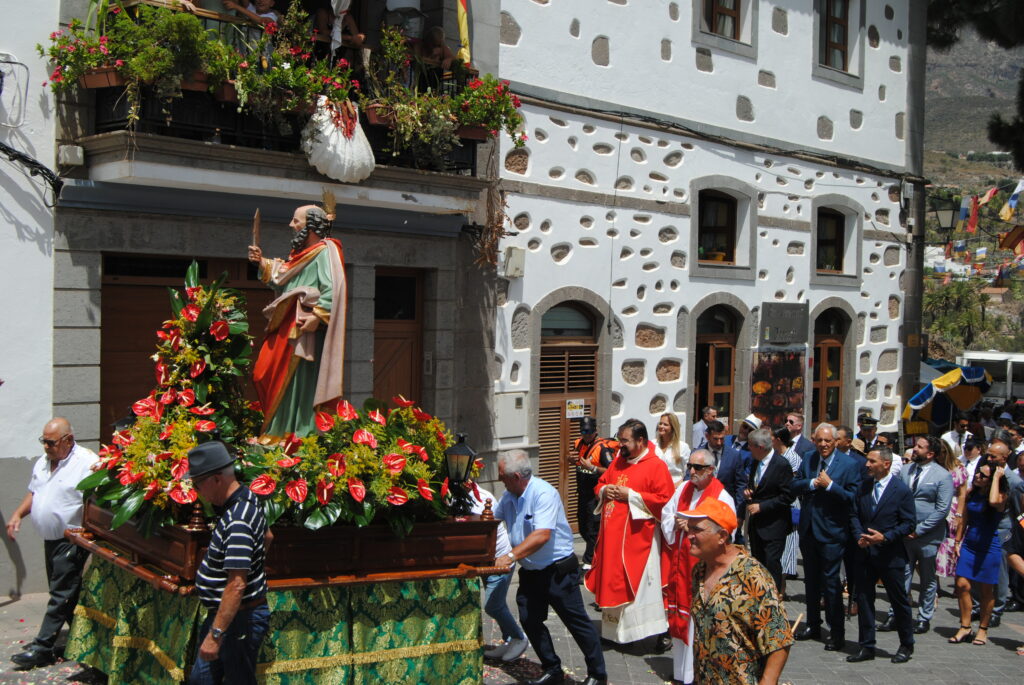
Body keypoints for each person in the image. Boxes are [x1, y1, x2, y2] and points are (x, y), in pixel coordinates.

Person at [494, 450, 606, 685]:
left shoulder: (544, 493)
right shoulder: (509, 495)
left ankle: (597, 674)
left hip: (558, 571)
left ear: (516, 476)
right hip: (532, 571)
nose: (500, 480)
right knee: (529, 618)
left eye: (502, 476)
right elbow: (493, 521)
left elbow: (542, 535)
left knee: (576, 623)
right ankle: (552, 669)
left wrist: (510, 556)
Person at [248, 204, 347, 442]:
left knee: (296, 380)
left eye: (296, 221)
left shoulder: (325, 251)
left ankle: (292, 433)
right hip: (284, 323)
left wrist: (317, 316)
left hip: (301, 328)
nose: (291, 226)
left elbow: (334, 288)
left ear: (310, 226)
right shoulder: (301, 255)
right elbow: (283, 276)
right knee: (264, 373)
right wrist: (261, 262)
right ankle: (276, 428)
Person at [7, 418, 98, 669]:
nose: (45, 447)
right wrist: (17, 514)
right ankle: (85, 643)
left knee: (60, 594)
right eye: (43, 441)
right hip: (50, 540)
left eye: (50, 442)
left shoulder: (87, 463)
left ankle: (42, 647)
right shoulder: (43, 462)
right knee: (68, 594)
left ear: (68, 440)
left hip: (71, 539)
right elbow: (35, 492)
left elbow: (98, 500)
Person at [683, 498, 793, 685]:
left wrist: (767, 681)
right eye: (689, 528)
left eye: (697, 530)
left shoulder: (752, 576)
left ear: (722, 536)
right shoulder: (700, 571)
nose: (690, 535)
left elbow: (779, 638)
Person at [585, 419, 674, 645]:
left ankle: (654, 633)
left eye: (625, 441)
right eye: (619, 439)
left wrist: (631, 495)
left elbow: (665, 501)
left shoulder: (656, 465)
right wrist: (606, 490)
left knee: (642, 587)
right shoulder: (618, 461)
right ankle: (613, 633)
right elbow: (600, 484)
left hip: (638, 540)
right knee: (612, 582)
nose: (620, 445)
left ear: (641, 440)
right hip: (612, 538)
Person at [188, 441, 270, 684]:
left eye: (198, 483)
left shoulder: (237, 521)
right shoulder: (246, 497)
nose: (197, 491)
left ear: (216, 479)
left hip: (236, 621)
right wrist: (254, 566)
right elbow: (268, 537)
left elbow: (236, 585)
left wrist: (216, 635)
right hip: (229, 618)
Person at [660, 449, 735, 685]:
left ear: (711, 470)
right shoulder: (683, 489)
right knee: (682, 615)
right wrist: (675, 523)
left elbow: (724, 531)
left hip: (702, 567)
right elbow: (666, 513)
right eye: (690, 466)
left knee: (697, 620)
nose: (692, 471)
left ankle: (695, 674)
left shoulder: (722, 496)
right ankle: (681, 673)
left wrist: (691, 527)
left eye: (698, 468)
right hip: (681, 562)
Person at [791, 423, 860, 650]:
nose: (823, 445)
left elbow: (853, 497)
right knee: (810, 580)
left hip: (832, 532)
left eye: (827, 441)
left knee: (831, 584)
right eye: (819, 441)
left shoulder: (849, 464)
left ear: (836, 442)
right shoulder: (809, 458)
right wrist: (811, 483)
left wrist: (831, 486)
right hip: (809, 529)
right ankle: (813, 623)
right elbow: (795, 484)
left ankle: (836, 631)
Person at [847, 447, 917, 664]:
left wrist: (885, 537)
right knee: (865, 599)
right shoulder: (864, 486)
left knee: (898, 601)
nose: (867, 465)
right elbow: (854, 514)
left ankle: (906, 643)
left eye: (872, 461)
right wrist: (859, 534)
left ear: (886, 464)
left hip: (890, 555)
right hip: (865, 553)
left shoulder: (901, 491)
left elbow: (909, 523)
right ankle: (866, 645)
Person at [878, 435, 953, 636]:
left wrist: (919, 530)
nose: (914, 449)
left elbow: (942, 509)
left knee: (927, 578)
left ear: (930, 454)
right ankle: (896, 614)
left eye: (919, 447)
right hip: (903, 534)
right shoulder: (905, 470)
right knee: (901, 575)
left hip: (927, 535)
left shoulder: (942, 476)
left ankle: (923, 617)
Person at [949, 459, 1009, 646]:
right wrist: (957, 541)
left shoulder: (1000, 496)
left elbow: (992, 501)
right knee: (962, 584)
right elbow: (964, 519)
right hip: (969, 544)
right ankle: (965, 626)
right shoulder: (971, 493)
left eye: (983, 475)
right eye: (977, 473)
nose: (977, 477)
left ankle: (983, 629)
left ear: (992, 480)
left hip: (989, 546)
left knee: (986, 590)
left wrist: (997, 477)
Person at [473, 485, 528, 663]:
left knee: (493, 605)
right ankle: (509, 641)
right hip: (483, 557)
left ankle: (519, 637)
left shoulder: (482, 497)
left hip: (500, 558)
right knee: (497, 603)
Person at [743, 427, 794, 594]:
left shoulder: (781, 465)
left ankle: (774, 599)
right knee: (758, 564)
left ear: (760, 447)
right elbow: (756, 485)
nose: (748, 448)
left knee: (771, 563)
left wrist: (762, 506)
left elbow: (787, 497)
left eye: (750, 445)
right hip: (756, 525)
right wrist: (749, 492)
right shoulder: (755, 461)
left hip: (774, 526)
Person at [567, 417, 618, 569]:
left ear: (595, 431)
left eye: (589, 431)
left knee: (592, 529)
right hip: (582, 493)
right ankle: (598, 553)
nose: (586, 434)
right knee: (582, 527)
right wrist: (572, 460)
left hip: (595, 496)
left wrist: (593, 469)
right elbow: (579, 463)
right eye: (583, 431)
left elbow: (611, 471)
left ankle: (589, 563)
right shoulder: (579, 443)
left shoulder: (602, 448)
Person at [935, 438, 970, 583]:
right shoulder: (933, 467)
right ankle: (934, 584)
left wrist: (959, 514)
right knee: (936, 547)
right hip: (936, 506)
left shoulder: (958, 468)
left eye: (943, 452)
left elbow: (963, 494)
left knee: (954, 544)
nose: (941, 456)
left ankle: (957, 580)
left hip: (953, 506)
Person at [705, 420, 749, 520]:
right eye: (715, 439)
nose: (719, 442)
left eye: (722, 439)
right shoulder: (698, 453)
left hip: (725, 508)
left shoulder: (734, 456)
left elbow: (740, 484)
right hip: (703, 506)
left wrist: (738, 513)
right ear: (707, 436)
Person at [773, 427, 801, 580]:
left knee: (788, 546)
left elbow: (793, 484)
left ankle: (782, 587)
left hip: (790, 505)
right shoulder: (777, 455)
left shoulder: (793, 458)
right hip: (778, 504)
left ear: (778, 440)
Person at [654, 412, 690, 487]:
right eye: (660, 423)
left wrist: (675, 486)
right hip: (656, 487)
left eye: (665, 424)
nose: (661, 426)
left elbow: (687, 472)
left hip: (675, 488)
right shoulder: (653, 444)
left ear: (673, 427)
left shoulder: (683, 447)